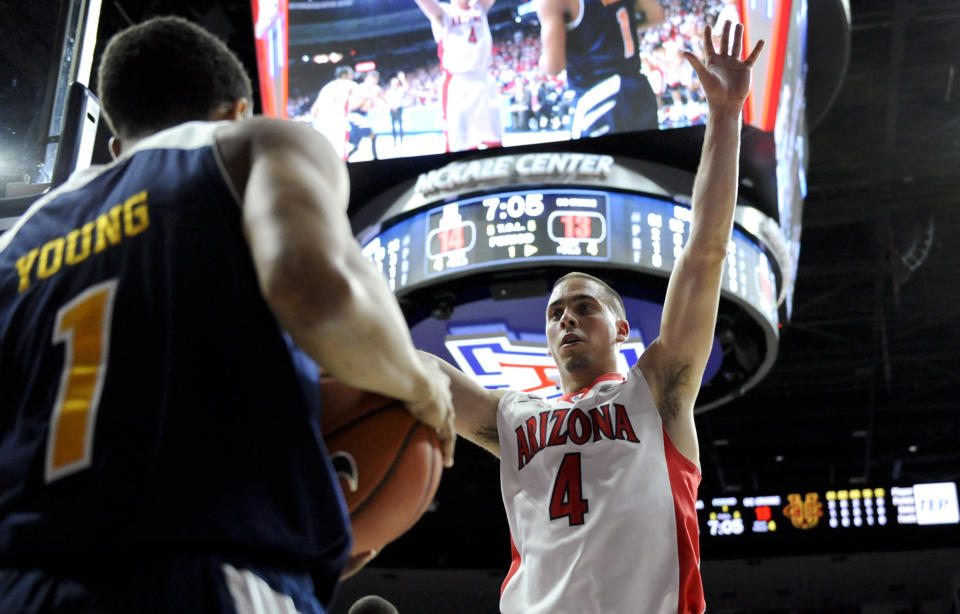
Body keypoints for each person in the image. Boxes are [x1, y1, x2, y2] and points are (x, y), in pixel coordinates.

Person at [0, 16, 455, 614]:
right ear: (238, 110)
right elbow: (315, 293)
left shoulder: (18, 241)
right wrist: (420, 384)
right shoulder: (258, 142)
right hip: (201, 575)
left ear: (116, 146)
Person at [422, 22, 762, 614]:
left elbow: (704, 252)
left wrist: (725, 117)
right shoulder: (514, 415)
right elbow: (418, 370)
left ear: (622, 327)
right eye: (556, 313)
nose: (567, 320)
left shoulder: (658, 391)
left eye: (584, 306)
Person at [537, 0, 666, 138]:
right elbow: (656, 16)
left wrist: (543, 61)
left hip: (598, 95)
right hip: (638, 89)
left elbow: (554, 67)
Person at [413, 0, 503, 151]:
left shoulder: (480, 7)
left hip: (484, 79)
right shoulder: (442, 12)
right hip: (459, 82)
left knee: (494, 139)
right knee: (460, 145)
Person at [311, 65, 358, 160]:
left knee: (324, 157)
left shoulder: (326, 87)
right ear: (344, 76)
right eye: (351, 75)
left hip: (321, 125)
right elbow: (357, 102)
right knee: (341, 159)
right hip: (337, 124)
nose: (352, 77)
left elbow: (313, 110)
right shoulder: (350, 84)